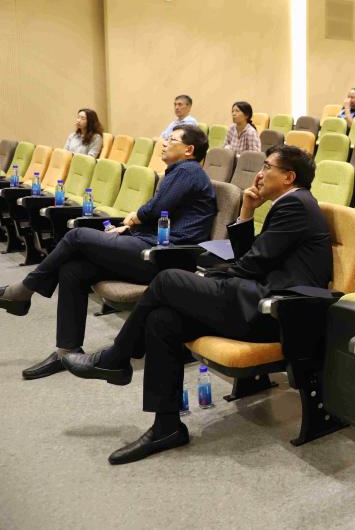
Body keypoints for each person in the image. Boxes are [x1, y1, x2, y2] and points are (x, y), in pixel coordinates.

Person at [61, 145, 332, 464]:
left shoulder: (295, 205)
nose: (259, 174)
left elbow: (251, 264)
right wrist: (246, 211)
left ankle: (116, 358)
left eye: (267, 167)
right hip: (257, 300)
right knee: (162, 320)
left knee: (167, 280)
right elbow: (251, 259)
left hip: (275, 312)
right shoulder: (290, 204)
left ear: (288, 177)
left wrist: (213, 276)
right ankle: (166, 427)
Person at [0, 125, 217, 380]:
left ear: (189, 150)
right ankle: (66, 351)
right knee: (74, 270)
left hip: (164, 256)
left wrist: (135, 218)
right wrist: (129, 226)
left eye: (172, 139)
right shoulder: (178, 172)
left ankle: (24, 290)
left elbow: (155, 210)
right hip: (150, 246)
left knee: (77, 236)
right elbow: (160, 215)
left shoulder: (188, 170)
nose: (165, 142)